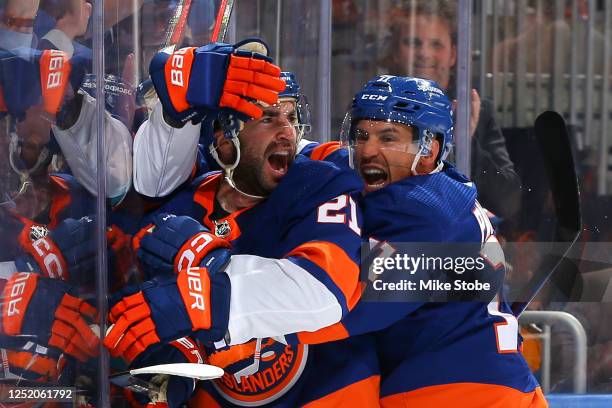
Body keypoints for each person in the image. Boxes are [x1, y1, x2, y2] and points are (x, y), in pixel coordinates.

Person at [104, 40, 379, 407]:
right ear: (224, 139)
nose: (287, 132)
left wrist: (207, 270)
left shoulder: (320, 184)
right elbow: (146, 310)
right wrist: (165, 360)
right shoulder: (185, 201)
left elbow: (326, 290)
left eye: (291, 117)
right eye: (267, 117)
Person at [324, 75, 545, 407]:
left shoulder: (420, 212)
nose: (368, 150)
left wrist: (241, 323)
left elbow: (348, 310)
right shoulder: (444, 189)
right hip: (494, 386)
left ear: (429, 150)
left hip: (459, 394)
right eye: (361, 135)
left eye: (388, 138)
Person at [380, 0, 521, 219]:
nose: (424, 54)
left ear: (453, 55)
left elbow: (510, 203)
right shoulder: (374, 108)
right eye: (412, 42)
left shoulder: (476, 111)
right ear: (395, 52)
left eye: (436, 44)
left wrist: (466, 143)